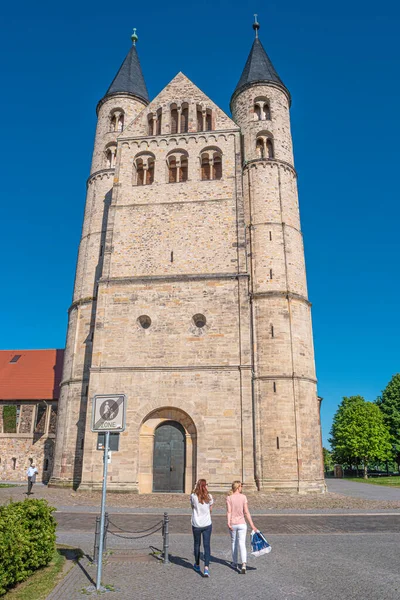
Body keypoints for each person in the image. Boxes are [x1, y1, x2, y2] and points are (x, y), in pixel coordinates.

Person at [226, 480, 257, 574]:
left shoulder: (229, 498)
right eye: (241, 486)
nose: (241, 488)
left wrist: (228, 523)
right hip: (242, 523)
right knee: (242, 544)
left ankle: (235, 563)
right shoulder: (243, 497)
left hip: (233, 523)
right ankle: (243, 564)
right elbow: (246, 512)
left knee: (234, 543)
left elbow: (229, 512)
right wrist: (252, 525)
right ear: (238, 487)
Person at [190, 479, 213, 577]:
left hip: (196, 524)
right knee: (206, 546)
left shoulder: (193, 496)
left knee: (197, 544)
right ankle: (206, 568)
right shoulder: (209, 497)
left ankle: (197, 565)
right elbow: (210, 510)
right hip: (207, 523)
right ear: (205, 486)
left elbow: (192, 507)